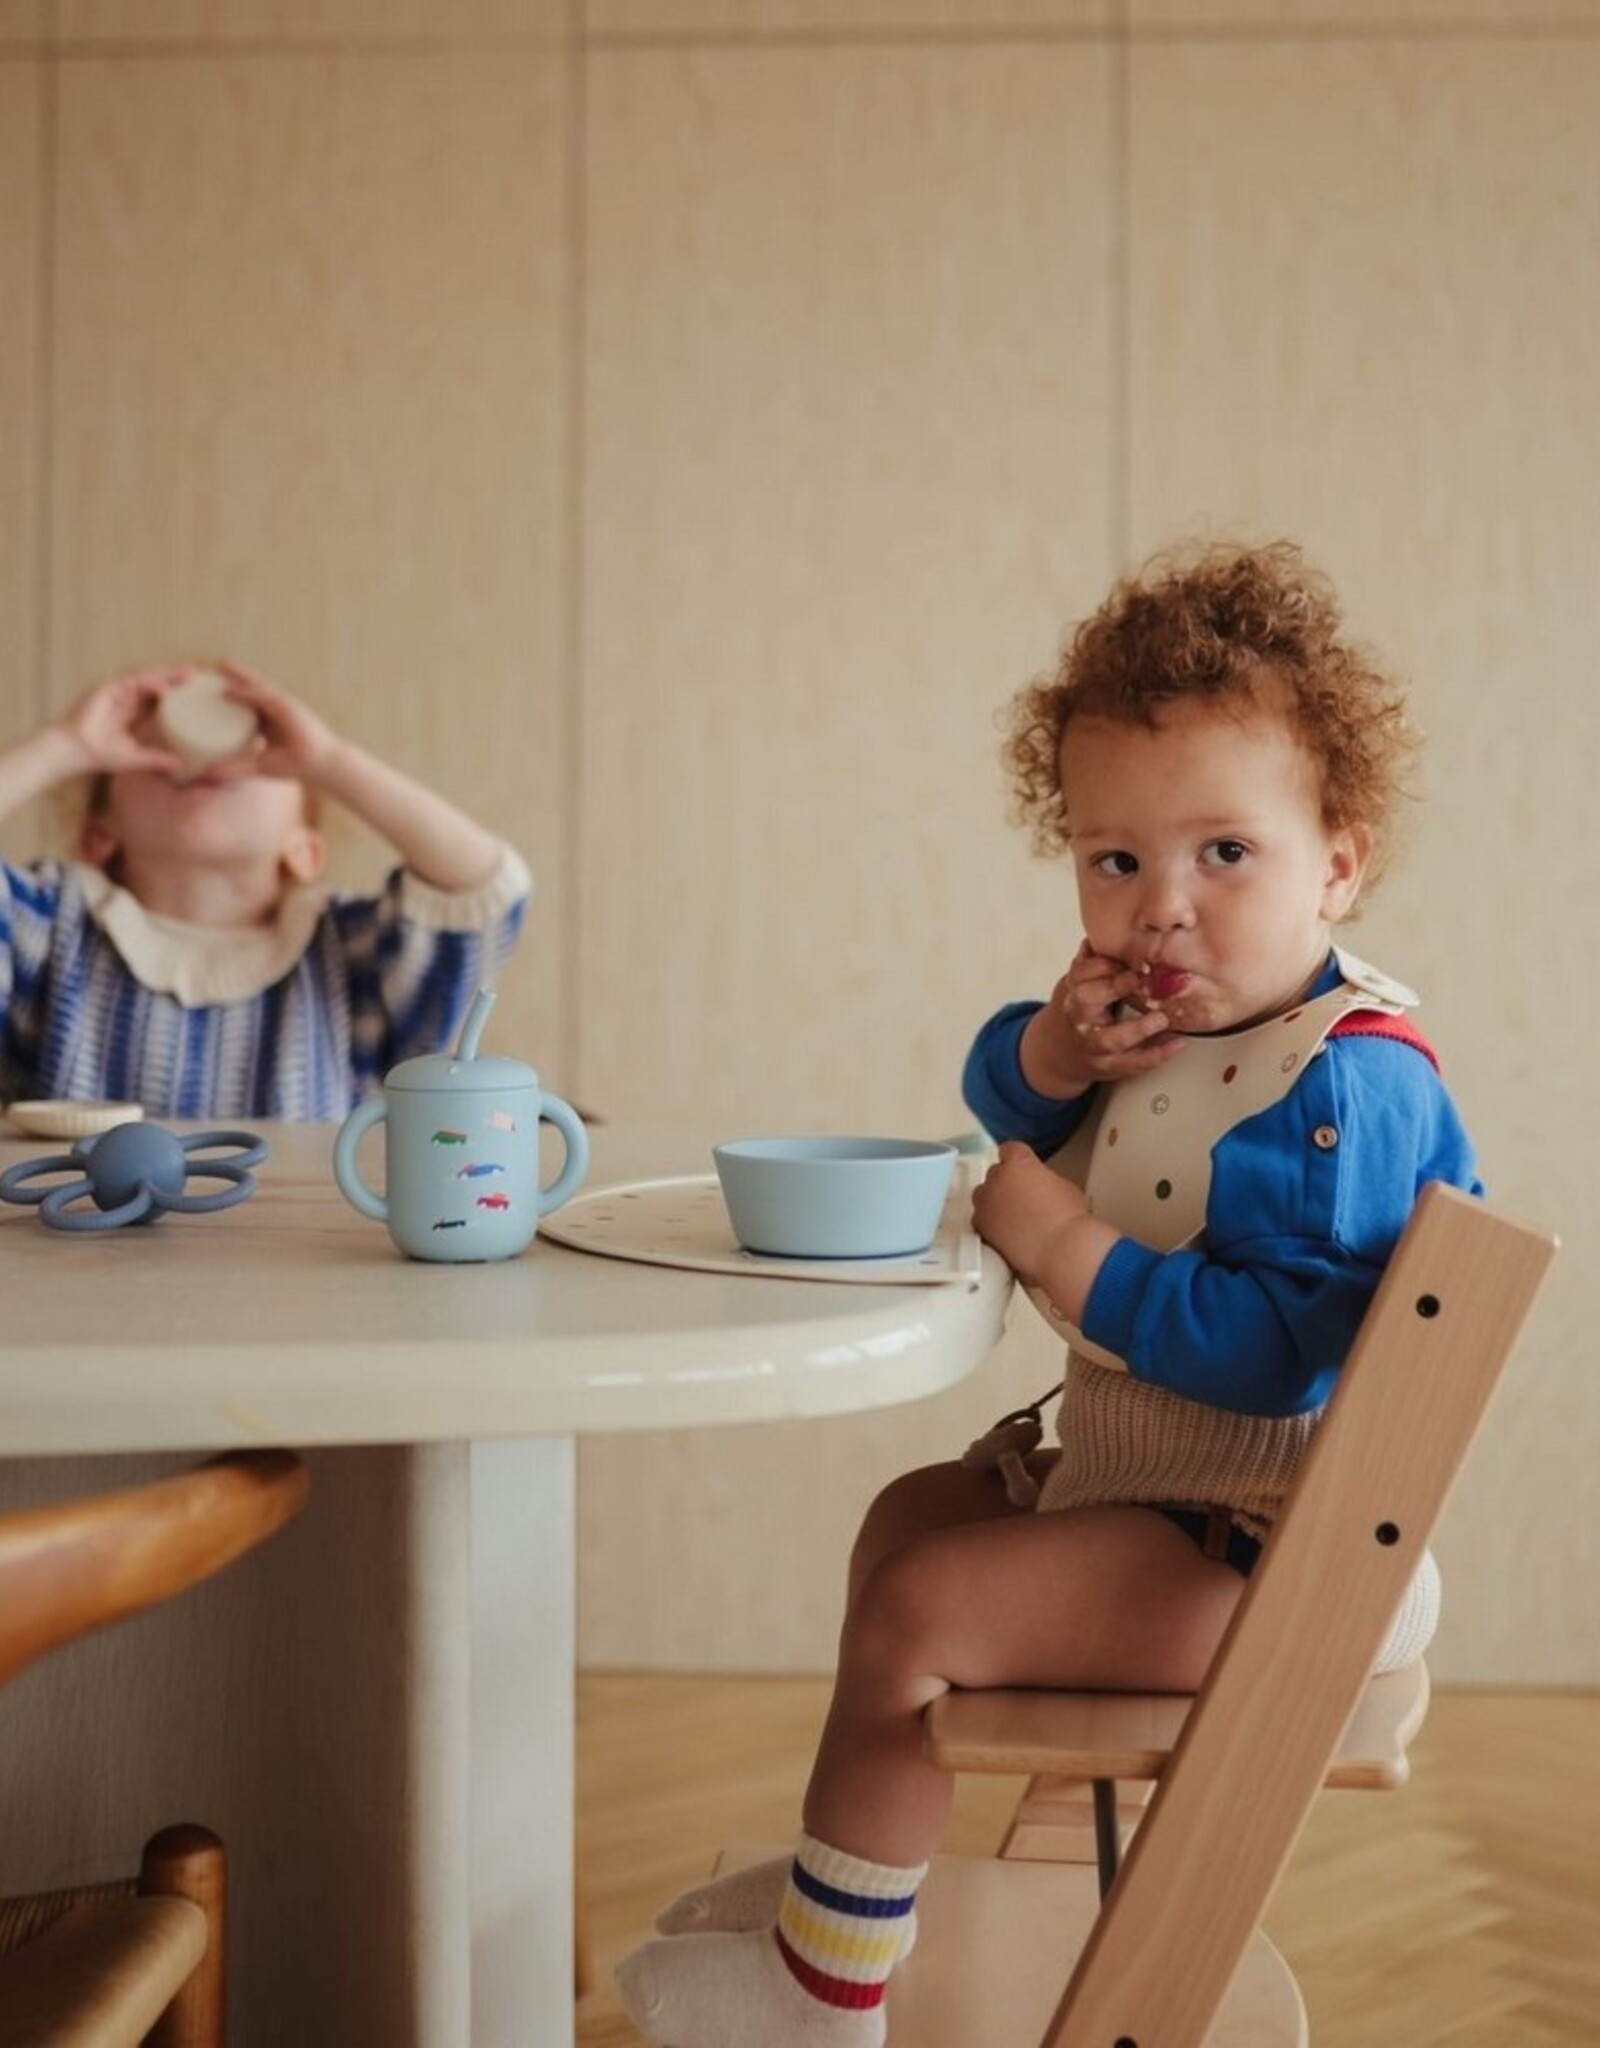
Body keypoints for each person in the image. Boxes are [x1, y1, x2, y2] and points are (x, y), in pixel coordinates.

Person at [614, 540, 1482, 2046]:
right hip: (1176, 1508)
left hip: (1275, 1557)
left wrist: (1061, 1246)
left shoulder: (1334, 1084)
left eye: (1226, 854)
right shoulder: (1199, 1029)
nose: (1161, 908)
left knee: (918, 1607)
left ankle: (818, 1999)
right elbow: (1000, 1083)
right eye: (1114, 859)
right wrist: (1060, 1061)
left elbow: (1277, 1354)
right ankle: (857, 1891)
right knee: (904, 1523)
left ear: (1337, 864)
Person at [0, 660, 530, 1120]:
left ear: (304, 850)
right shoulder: (48, 930)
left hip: (300, 1238)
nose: (200, 759)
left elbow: (478, 888)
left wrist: (328, 761)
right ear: (100, 836)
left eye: (253, 754)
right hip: (77, 1238)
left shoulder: (348, 952)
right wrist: (67, 745)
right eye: (151, 749)